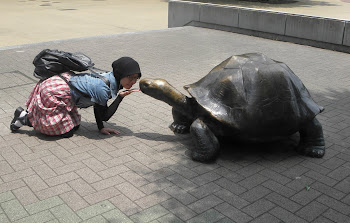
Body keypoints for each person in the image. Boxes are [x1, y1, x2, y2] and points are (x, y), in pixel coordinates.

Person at [10, 57, 141, 137]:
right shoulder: (102, 88)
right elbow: (104, 115)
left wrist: (101, 127)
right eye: (130, 77)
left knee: (75, 126)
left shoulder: (110, 78)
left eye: (136, 78)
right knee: (63, 131)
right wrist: (120, 98)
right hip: (55, 90)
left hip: (64, 84)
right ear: (120, 74)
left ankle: (27, 116)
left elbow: (98, 107)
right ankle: (25, 118)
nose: (133, 81)